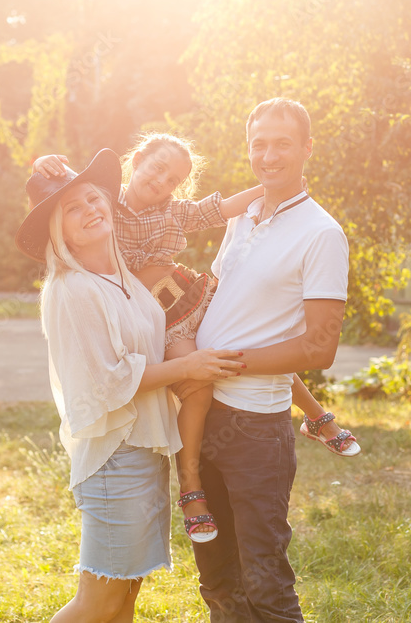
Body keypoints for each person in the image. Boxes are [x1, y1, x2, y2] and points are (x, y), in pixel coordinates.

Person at [32, 133, 358, 545]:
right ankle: (190, 486)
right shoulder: (104, 203)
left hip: (187, 293)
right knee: (200, 385)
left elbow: (220, 209)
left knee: (244, 340)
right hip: (162, 316)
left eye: (173, 179)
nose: (161, 181)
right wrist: (46, 162)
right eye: (156, 168)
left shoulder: (174, 212)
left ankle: (315, 415)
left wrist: (273, 187)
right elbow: (65, 198)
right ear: (136, 160)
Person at [14, 149, 245, 623]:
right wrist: (192, 368)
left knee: (123, 600)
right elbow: (110, 380)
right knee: (96, 602)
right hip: (114, 458)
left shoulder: (125, 278)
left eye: (94, 198)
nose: (91, 210)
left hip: (143, 452)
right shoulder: (73, 289)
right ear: (58, 231)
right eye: (73, 208)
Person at [192, 98, 350, 622]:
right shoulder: (242, 218)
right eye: (259, 143)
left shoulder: (322, 233)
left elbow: (318, 347)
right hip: (200, 413)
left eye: (282, 143)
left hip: (256, 427)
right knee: (217, 581)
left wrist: (228, 364)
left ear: (306, 149)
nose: (269, 154)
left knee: (265, 585)